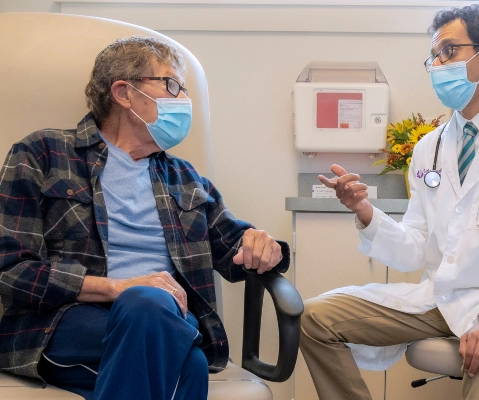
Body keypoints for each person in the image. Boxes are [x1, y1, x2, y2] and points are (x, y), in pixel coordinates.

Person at [300, 4, 479, 400]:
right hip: (441, 298)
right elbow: (415, 247)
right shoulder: (431, 145)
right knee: (313, 318)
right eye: (434, 56)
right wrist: (365, 213)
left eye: (448, 52)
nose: (438, 65)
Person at [0, 36, 288, 400]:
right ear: (124, 92)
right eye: (171, 85)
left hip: (165, 318)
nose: (183, 100)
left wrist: (262, 244)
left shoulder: (185, 178)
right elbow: (10, 272)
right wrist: (117, 288)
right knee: (186, 359)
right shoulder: (43, 153)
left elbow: (236, 249)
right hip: (65, 323)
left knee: (159, 322)